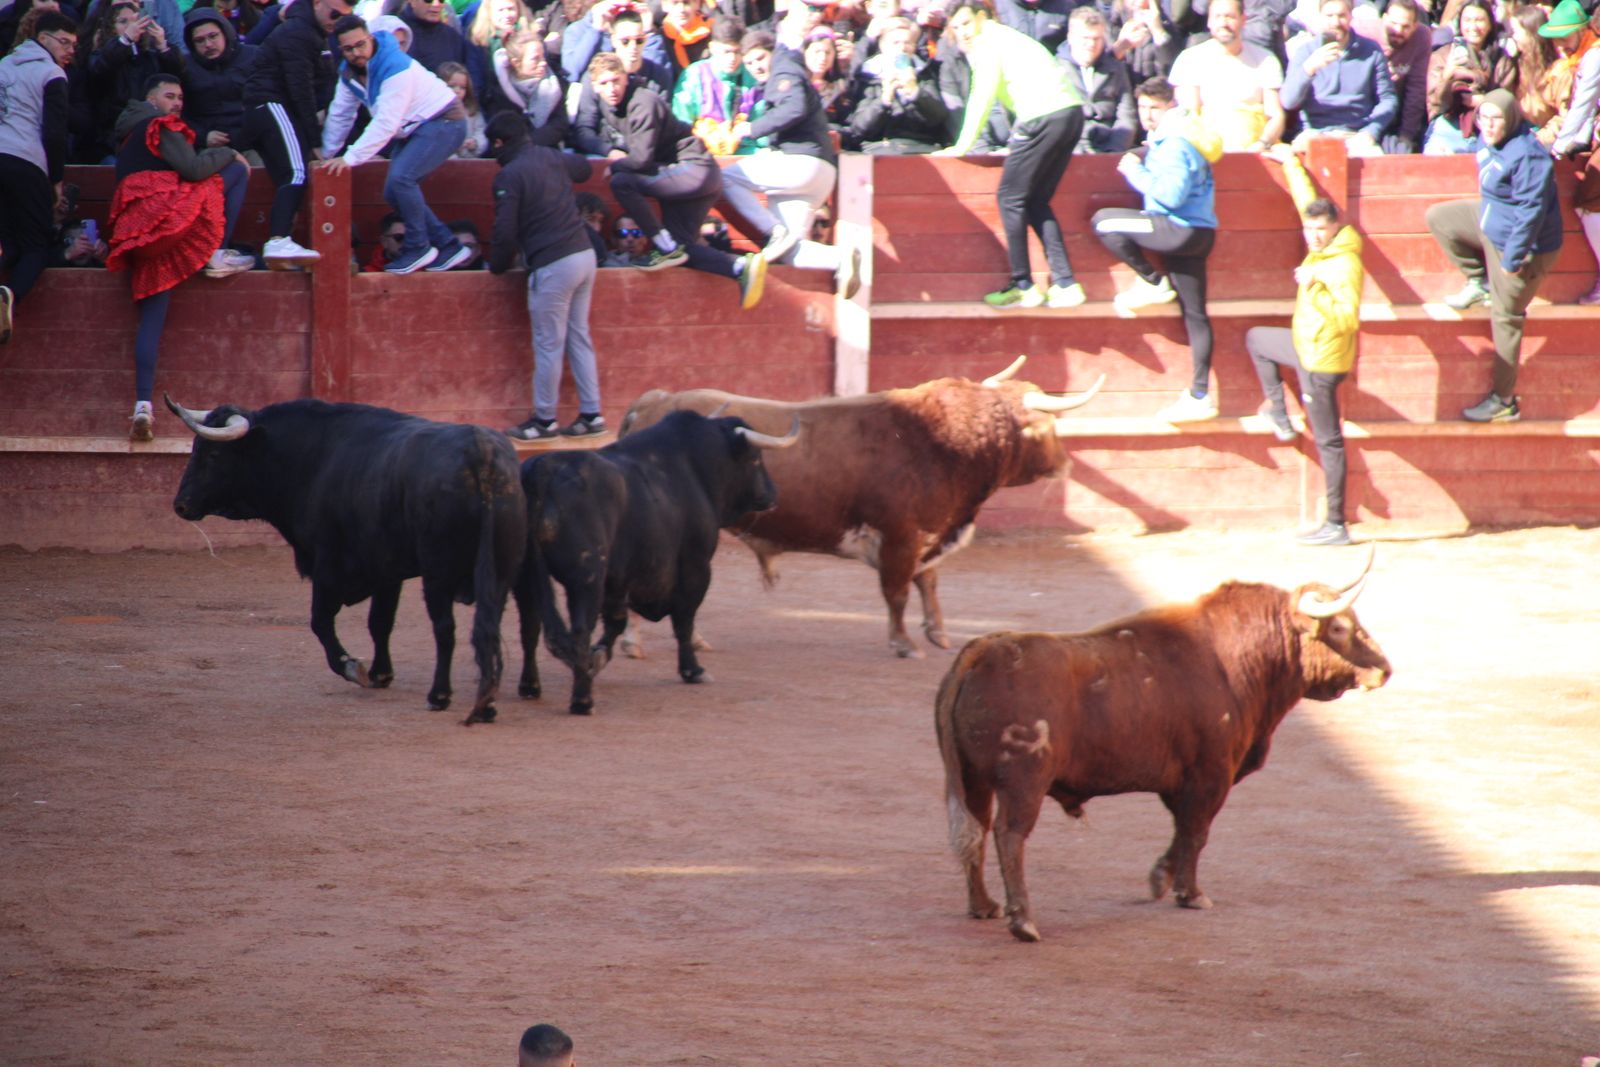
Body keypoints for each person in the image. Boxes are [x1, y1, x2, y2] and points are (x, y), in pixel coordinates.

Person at [107, 74, 253, 440]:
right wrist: (228, 154)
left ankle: (143, 405)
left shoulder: (126, 137)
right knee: (232, 171)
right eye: (169, 96)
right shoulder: (159, 124)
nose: (177, 104)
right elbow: (194, 169)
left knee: (152, 317)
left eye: (180, 98)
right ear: (151, 100)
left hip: (137, 233)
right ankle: (217, 251)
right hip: (166, 219)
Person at [935, 0, 1086, 310]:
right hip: (1069, 113)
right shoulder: (1009, 37)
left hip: (1042, 116)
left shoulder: (988, 43)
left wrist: (962, 146)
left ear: (982, 17)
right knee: (1035, 201)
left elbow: (981, 98)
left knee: (1009, 198)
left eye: (966, 23)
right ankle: (1066, 283)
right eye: (956, 27)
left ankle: (1024, 285)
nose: (963, 32)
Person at [1249, 143, 1364, 546]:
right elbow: (1306, 203)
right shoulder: (1327, 241)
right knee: (1258, 339)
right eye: (1309, 229)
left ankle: (1336, 524)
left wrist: (1316, 288)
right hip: (1305, 346)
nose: (1313, 236)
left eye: (1320, 230)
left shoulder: (1341, 264)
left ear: (1335, 228)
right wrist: (1291, 164)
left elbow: (1349, 319)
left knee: (1329, 441)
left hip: (1322, 364)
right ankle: (1278, 412)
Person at [1425, 89, 1561, 423]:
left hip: (1521, 247)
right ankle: (1479, 281)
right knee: (1440, 218)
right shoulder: (1490, 140)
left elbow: (1532, 211)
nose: (1487, 125)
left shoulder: (1528, 155)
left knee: (1505, 319)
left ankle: (1504, 401)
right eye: (1483, 118)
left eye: (1495, 118)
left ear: (1511, 119)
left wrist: (1513, 260)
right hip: (1491, 224)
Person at [589, 51, 767, 307]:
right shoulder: (612, 106)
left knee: (622, 181)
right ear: (594, 86)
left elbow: (640, 161)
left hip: (693, 171)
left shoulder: (642, 103)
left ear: (626, 78)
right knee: (683, 250)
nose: (611, 88)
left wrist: (616, 164)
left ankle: (663, 245)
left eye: (615, 80)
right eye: (604, 83)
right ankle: (739, 266)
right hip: (689, 176)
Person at [1093, 76, 1223, 422]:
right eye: (1143, 107)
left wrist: (1135, 172)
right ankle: (1200, 395)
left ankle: (1152, 281)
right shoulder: (1178, 136)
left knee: (1103, 222)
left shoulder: (1176, 143)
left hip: (1175, 228)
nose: (1147, 115)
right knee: (1195, 314)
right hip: (1200, 233)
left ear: (1170, 107)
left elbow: (1170, 196)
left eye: (1155, 108)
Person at [321, 14, 473, 274]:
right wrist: (327, 154)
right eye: (348, 49)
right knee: (394, 189)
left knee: (402, 180)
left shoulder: (395, 66)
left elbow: (385, 124)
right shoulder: (348, 73)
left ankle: (418, 247)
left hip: (445, 120)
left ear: (369, 38)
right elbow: (341, 113)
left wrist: (348, 158)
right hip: (417, 127)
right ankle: (447, 245)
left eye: (360, 45)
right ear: (340, 49)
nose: (356, 53)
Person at [720, 18, 861, 298]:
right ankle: (841, 259)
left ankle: (773, 232)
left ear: (772, 51)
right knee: (789, 252)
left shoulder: (784, 69)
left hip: (802, 163)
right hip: (816, 175)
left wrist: (752, 128)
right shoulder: (786, 70)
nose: (756, 66)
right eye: (749, 64)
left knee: (724, 178)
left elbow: (794, 108)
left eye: (760, 58)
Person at [486, 111, 605, 440]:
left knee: (549, 344)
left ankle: (544, 420)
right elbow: (584, 168)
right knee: (579, 336)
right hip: (584, 255)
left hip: (554, 264)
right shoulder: (549, 156)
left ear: (499, 143)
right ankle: (592, 415)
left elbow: (505, 231)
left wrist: (497, 265)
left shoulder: (509, 176)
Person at [237, 0, 352, 269]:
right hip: (271, 103)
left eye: (344, 18)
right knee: (296, 172)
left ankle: (279, 244)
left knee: (288, 177)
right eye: (335, 14)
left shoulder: (312, 33)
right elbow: (300, 90)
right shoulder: (299, 32)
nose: (337, 22)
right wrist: (315, 141)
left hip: (270, 106)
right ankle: (278, 239)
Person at [0, 10, 75, 346]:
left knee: (9, 246)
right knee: (36, 248)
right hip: (27, 162)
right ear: (42, 39)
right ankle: (7, 295)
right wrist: (55, 180)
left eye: (74, 44)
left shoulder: (2, 66)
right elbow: (55, 133)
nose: (70, 49)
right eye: (64, 41)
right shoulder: (50, 73)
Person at [1280, 0, 1396, 156]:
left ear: (1350, 16)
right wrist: (1309, 69)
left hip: (1356, 133)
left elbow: (1388, 99)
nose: (1335, 22)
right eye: (1329, 16)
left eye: (1341, 16)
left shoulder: (1371, 51)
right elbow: (1288, 101)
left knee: (1375, 168)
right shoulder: (1306, 52)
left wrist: (1371, 131)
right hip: (1314, 132)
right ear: (1320, 17)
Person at [1170, 0, 1286, 152]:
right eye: (1217, 17)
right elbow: (1190, 116)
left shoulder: (1266, 59)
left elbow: (1275, 115)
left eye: (1230, 17)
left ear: (1243, 20)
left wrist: (1261, 144)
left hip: (1256, 150)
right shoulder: (1190, 59)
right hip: (1207, 152)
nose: (1223, 23)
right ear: (1209, 22)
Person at [569, 5, 674, 157]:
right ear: (613, 40)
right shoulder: (597, 75)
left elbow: (665, 123)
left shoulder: (659, 74)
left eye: (639, 41)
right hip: (603, 153)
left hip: (647, 152)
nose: (633, 47)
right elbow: (584, 129)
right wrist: (609, 151)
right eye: (625, 41)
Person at [842, 15, 949, 154]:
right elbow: (859, 129)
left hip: (921, 147)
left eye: (908, 43)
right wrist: (884, 101)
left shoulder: (924, 73)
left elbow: (938, 118)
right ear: (883, 46)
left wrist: (915, 93)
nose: (902, 48)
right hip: (880, 148)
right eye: (896, 42)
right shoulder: (867, 77)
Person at [1420, 0, 1513, 155]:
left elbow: (1508, 102)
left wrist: (1484, 101)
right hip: (1449, 128)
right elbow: (1437, 104)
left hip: (1488, 130)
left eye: (1479, 20)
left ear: (1490, 23)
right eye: (1467, 20)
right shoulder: (1442, 56)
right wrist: (1447, 75)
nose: (1473, 27)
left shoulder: (1502, 60)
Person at [1350, 0, 1429, 153]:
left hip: (1396, 117)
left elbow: (1416, 90)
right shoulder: (1362, 32)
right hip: (1363, 114)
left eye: (1406, 26)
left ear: (1415, 25)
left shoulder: (1421, 37)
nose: (1398, 30)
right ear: (1384, 18)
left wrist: (1407, 134)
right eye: (1393, 23)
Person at [1058, 7, 1136, 155]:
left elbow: (1126, 114)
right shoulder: (1055, 69)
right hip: (1069, 151)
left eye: (1097, 39)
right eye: (1085, 38)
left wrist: (1114, 150)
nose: (1091, 45)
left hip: (1110, 147)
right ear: (1071, 37)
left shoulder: (1116, 68)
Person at [181, 7, 261, 151]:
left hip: (254, 141)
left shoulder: (253, 56)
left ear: (225, 34)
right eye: (199, 40)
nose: (208, 44)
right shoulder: (185, 67)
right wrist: (201, 136)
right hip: (210, 146)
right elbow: (179, 113)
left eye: (213, 36)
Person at [494, 29, 573, 146]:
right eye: (536, 59)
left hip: (548, 149)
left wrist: (533, 144)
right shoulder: (498, 89)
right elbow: (501, 126)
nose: (543, 63)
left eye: (543, 57)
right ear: (516, 63)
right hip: (513, 152)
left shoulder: (555, 84)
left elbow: (559, 124)